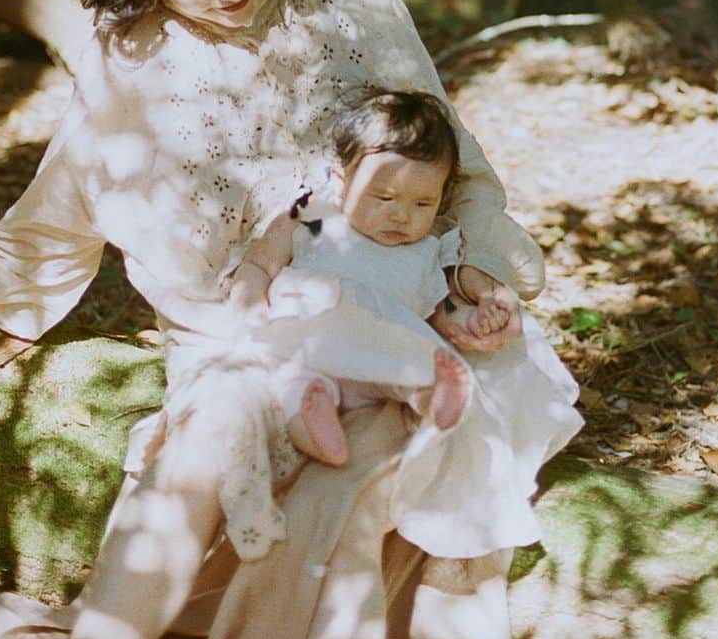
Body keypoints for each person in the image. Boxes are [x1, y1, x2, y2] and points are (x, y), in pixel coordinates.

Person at [0, 0, 572, 639]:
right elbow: (66, 194)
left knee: (364, 481)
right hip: (238, 333)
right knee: (206, 438)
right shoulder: (129, 55)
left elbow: (446, 160)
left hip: (407, 321)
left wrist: (474, 280)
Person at [230, 87, 581, 561]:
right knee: (292, 375)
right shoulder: (315, 218)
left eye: (422, 204)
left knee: (417, 355)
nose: (401, 214)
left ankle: (431, 397)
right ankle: (314, 417)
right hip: (313, 339)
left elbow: (439, 312)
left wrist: (475, 317)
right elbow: (260, 262)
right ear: (341, 179)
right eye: (384, 196)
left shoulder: (425, 253)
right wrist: (250, 300)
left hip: (381, 364)